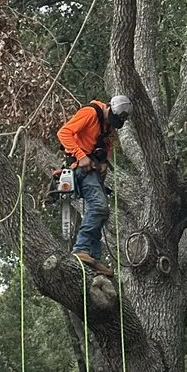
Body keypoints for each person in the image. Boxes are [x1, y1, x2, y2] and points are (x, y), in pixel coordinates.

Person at [56, 95, 132, 274]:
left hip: (94, 170)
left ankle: (94, 256)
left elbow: (106, 145)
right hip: (81, 168)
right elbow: (63, 133)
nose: (113, 125)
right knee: (99, 207)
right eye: (113, 119)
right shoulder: (90, 113)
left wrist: (104, 161)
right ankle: (81, 248)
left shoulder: (108, 126)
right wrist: (80, 156)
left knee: (103, 213)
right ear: (109, 108)